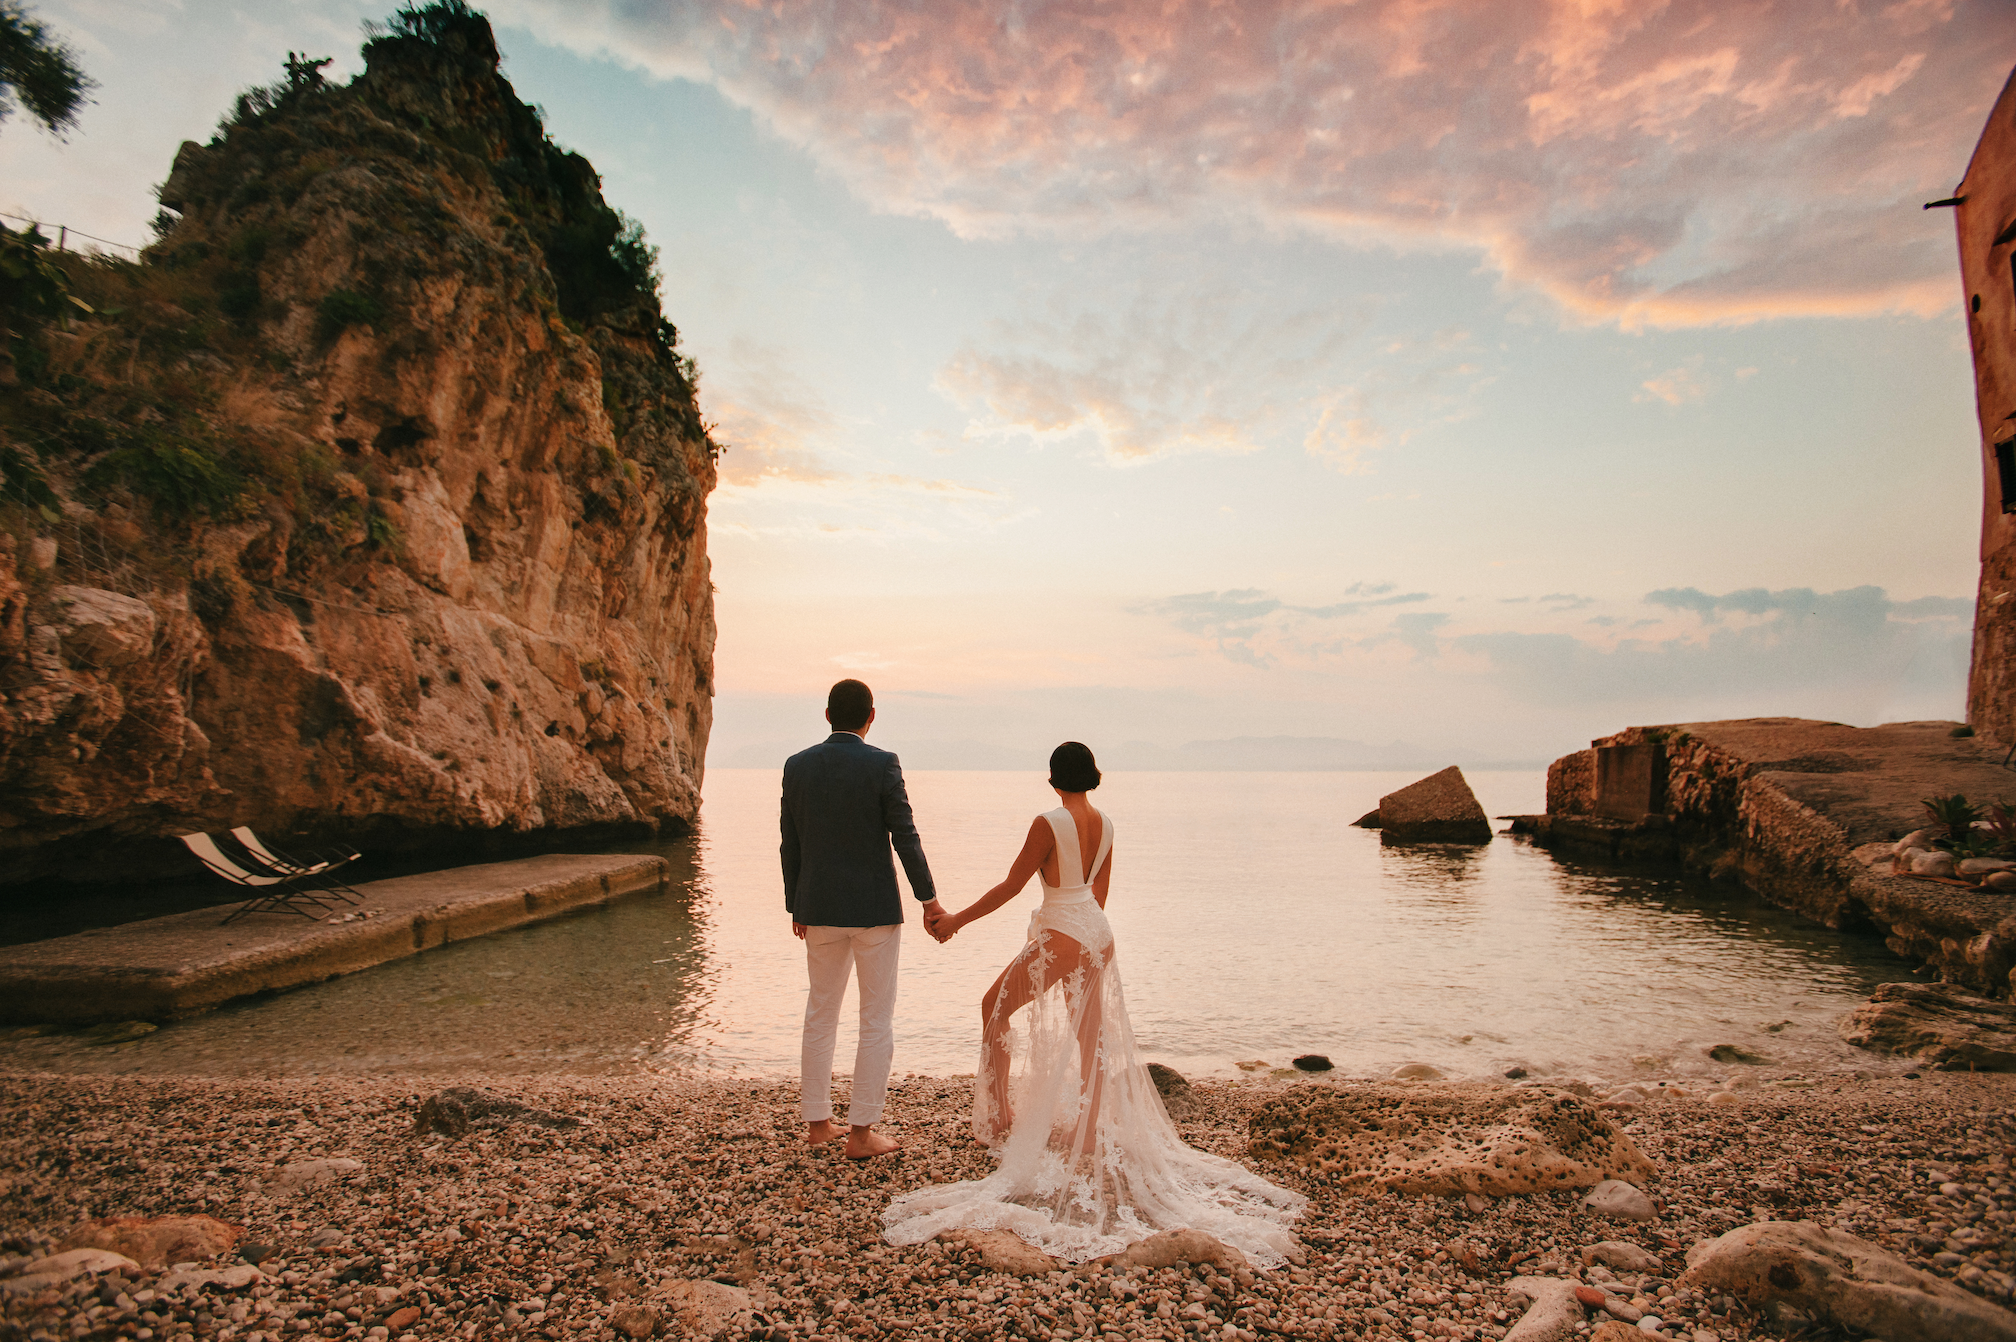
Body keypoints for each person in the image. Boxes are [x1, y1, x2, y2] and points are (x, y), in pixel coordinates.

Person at [886, 742, 1305, 1265]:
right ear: (1092, 776)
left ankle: (1000, 1119)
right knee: (1090, 1030)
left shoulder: (1048, 821)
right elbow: (1097, 894)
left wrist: (955, 921)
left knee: (992, 1006)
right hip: (1096, 931)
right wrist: (1081, 941)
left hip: (1065, 929)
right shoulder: (1105, 823)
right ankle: (1087, 1131)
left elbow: (1013, 886)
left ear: (1053, 777)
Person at [781, 678, 944, 1160]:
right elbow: (904, 834)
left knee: (820, 1012)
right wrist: (928, 900)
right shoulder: (882, 764)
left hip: (819, 909)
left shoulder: (797, 765)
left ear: (827, 716)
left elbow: (790, 840)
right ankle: (860, 1135)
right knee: (875, 1019)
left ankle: (817, 1124)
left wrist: (797, 904)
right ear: (871, 716)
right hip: (873, 910)